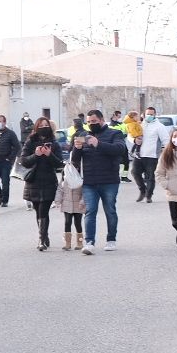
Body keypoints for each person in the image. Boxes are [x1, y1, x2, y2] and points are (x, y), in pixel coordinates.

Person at [71, 109, 129, 254]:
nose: (91, 124)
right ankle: (89, 242)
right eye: (89, 122)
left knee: (110, 210)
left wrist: (99, 144)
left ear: (102, 120)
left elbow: (120, 149)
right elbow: (75, 160)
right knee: (90, 211)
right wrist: (77, 149)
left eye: (94, 122)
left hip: (109, 180)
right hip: (89, 181)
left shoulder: (114, 133)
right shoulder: (83, 135)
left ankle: (111, 240)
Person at [20, 118, 63, 251]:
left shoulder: (54, 143)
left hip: (49, 180)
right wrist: (36, 155)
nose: (44, 127)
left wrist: (49, 154)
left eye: (46, 125)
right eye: (41, 125)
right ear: (36, 127)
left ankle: (41, 239)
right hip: (33, 180)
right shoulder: (30, 141)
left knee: (44, 210)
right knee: (37, 211)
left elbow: (59, 164)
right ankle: (44, 235)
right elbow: (24, 161)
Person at [132, 108, 169, 202]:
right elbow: (130, 135)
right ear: (144, 114)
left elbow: (166, 140)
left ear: (155, 115)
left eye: (151, 114)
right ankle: (142, 190)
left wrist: (165, 152)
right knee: (135, 172)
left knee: (150, 177)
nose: (149, 116)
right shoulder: (139, 124)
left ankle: (149, 195)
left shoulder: (159, 126)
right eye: (148, 114)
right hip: (139, 154)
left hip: (152, 156)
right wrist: (134, 140)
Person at [57, 151, 86, 252]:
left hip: (78, 205)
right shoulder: (65, 180)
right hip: (67, 204)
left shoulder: (81, 180)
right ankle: (67, 243)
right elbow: (60, 190)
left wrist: (83, 201)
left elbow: (85, 192)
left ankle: (80, 242)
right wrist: (57, 201)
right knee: (67, 222)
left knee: (78, 223)